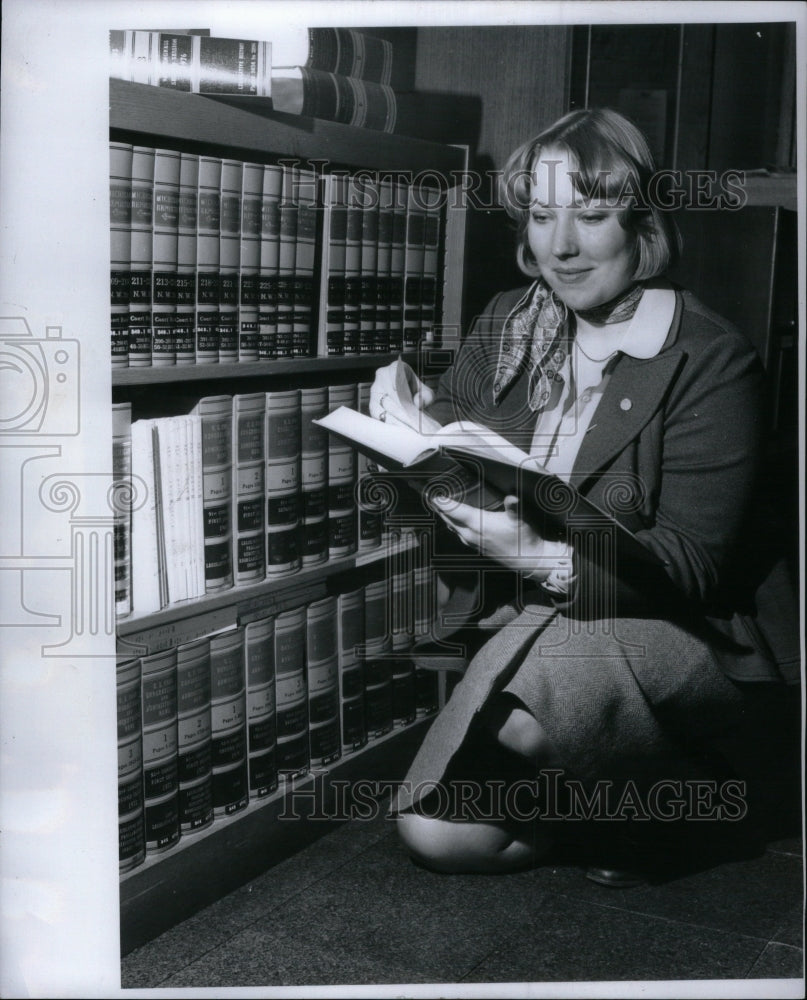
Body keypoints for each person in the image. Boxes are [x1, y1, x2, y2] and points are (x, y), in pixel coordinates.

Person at [368, 108, 800, 883]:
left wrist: (535, 552)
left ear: (641, 224)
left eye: (590, 215)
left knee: (539, 711)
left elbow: (691, 568)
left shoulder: (710, 357)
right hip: (533, 609)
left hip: (674, 627)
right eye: (540, 216)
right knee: (442, 838)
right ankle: (625, 804)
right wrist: (408, 424)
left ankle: (694, 798)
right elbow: (463, 443)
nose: (558, 246)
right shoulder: (509, 321)